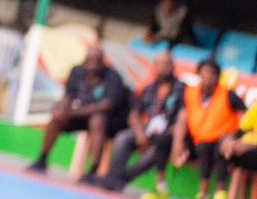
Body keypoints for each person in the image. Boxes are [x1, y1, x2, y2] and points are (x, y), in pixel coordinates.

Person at [26, 43, 130, 183]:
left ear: (102, 61)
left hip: (108, 122)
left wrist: (72, 112)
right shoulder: (76, 71)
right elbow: (68, 96)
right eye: (90, 59)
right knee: (57, 118)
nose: (92, 63)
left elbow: (106, 105)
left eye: (96, 59)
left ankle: (93, 171)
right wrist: (61, 108)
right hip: (78, 115)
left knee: (97, 119)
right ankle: (42, 159)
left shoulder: (113, 77)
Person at [101, 50, 182, 194]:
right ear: (154, 66)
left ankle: (118, 180)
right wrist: (139, 133)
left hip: (166, 137)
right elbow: (134, 113)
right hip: (147, 132)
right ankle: (113, 178)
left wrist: (168, 134)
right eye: (160, 64)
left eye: (168, 64)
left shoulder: (182, 89)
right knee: (123, 137)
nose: (164, 67)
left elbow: (184, 118)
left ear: (173, 67)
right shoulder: (149, 88)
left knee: (155, 151)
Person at [173, 58, 246, 199]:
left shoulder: (228, 94)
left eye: (212, 73)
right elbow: (182, 118)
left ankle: (219, 193)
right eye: (205, 72)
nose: (208, 77)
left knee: (220, 149)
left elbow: (247, 116)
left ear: (218, 77)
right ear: (199, 73)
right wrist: (178, 142)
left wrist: (234, 136)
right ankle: (201, 193)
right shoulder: (190, 92)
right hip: (199, 140)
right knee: (168, 140)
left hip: (223, 140)